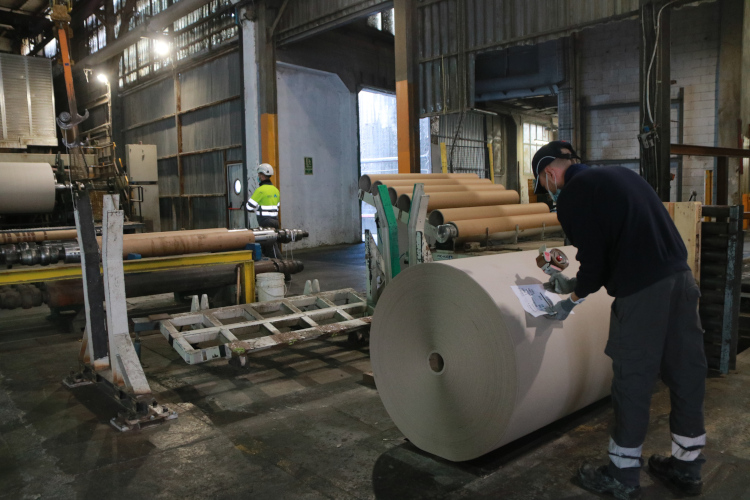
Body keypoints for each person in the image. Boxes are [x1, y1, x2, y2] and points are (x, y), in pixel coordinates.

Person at [532, 141, 707, 500]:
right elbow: (619, 244)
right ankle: (687, 469)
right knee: (686, 373)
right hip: (681, 281)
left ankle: (621, 475)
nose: (549, 193)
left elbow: (595, 258)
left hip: (643, 293)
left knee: (633, 379)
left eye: (544, 184)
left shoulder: (573, 196)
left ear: (549, 173)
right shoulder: (620, 177)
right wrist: (574, 282)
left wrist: (573, 300)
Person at [246, 163, 281, 258]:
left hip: (265, 222)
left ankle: (282, 267)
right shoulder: (275, 190)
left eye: (259, 175)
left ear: (262, 175)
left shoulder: (260, 190)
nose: (258, 177)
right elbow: (277, 206)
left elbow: (249, 207)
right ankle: (272, 267)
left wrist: (256, 208)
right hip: (275, 221)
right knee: (267, 246)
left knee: (271, 248)